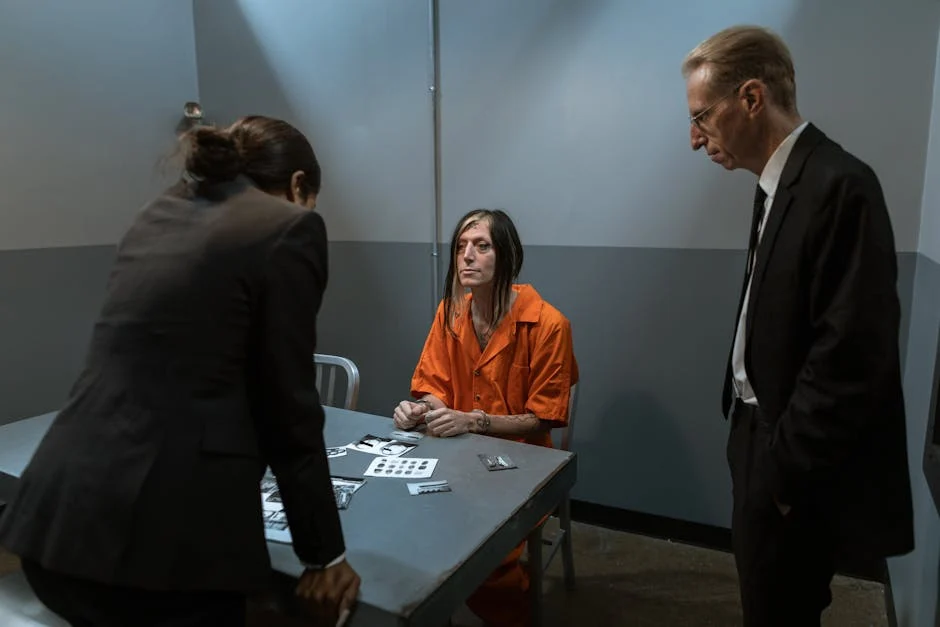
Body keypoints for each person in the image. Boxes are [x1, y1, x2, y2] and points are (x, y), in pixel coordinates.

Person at [0, 116, 360, 626]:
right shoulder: (287, 227)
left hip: (53, 525)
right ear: (299, 186)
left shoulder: (158, 214)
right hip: (157, 559)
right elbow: (288, 409)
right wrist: (324, 556)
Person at [682, 25, 914, 626]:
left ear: (751, 98)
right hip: (755, 435)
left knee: (781, 610)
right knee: (765, 601)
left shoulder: (840, 184)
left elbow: (851, 355)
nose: (694, 138)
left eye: (701, 116)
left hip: (787, 459)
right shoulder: (776, 184)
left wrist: (782, 472)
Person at [393, 209, 578, 627]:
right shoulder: (450, 312)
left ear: (507, 255)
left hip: (524, 462)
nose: (467, 256)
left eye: (481, 246)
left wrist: (473, 421)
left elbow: (544, 418)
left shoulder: (549, 325)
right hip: (455, 456)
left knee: (484, 555)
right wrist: (420, 409)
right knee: (408, 527)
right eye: (461, 246)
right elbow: (433, 386)